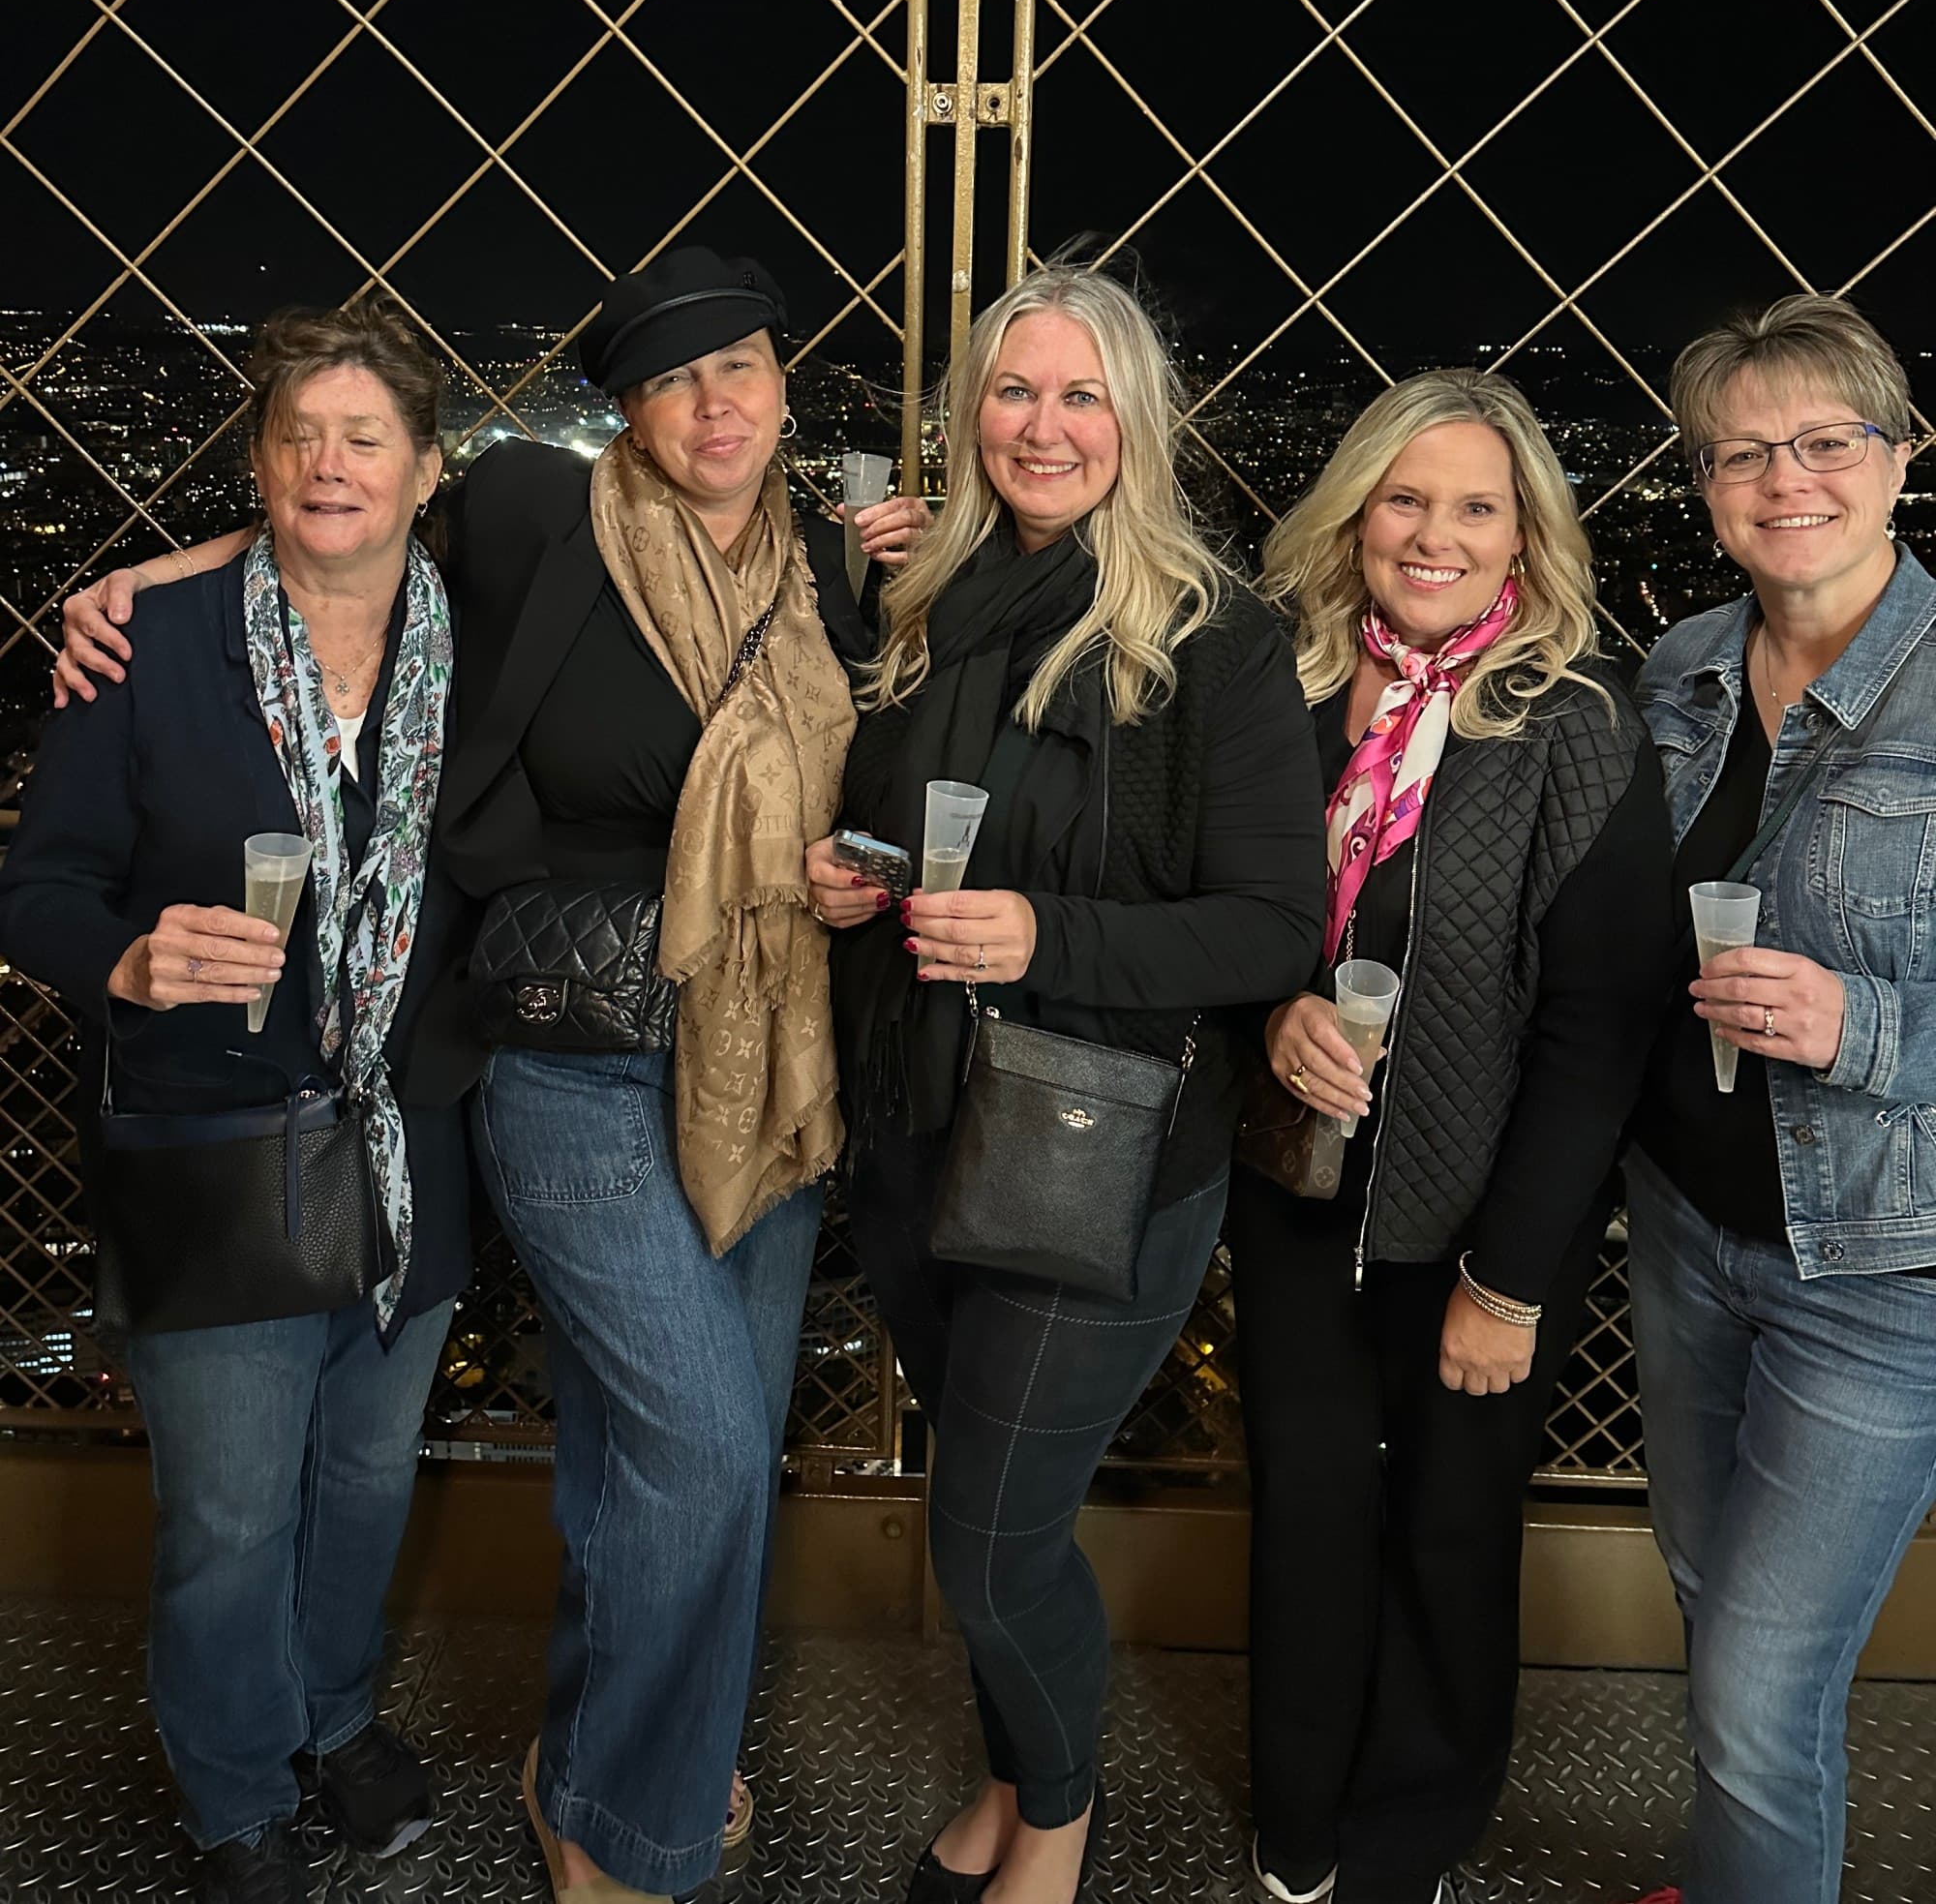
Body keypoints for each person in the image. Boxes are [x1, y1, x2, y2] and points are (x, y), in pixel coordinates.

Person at [56, 245, 927, 1904]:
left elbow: (890, 774)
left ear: (784, 384)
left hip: (746, 1058)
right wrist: (149, 581)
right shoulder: (544, 514)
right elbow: (340, 528)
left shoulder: (831, 569)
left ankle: (572, 1754)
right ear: (627, 411)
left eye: (737, 367)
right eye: (672, 380)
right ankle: (589, 1820)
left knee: (591, 1455)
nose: (713, 402)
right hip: (554, 1056)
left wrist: (859, 870)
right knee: (703, 1448)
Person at [808, 263, 1326, 1904]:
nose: (1044, 427)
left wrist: (1041, 932)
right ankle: (1012, 1781)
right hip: (917, 1124)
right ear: (969, 420)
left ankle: (1060, 1815)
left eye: (1080, 395)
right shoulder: (920, 604)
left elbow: (1266, 929)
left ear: (1137, 424)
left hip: (1093, 1152)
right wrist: (855, 873)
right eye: (1014, 394)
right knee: (989, 1508)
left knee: (984, 1534)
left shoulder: (1210, 640)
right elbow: (907, 823)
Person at [2, 298, 470, 1904]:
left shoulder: (478, 646)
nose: (327, 466)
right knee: (226, 1510)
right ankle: (230, 1790)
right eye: (296, 437)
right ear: (257, 465)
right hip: (211, 1145)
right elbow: (39, 887)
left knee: (362, 1480)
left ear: (427, 468)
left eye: (364, 437)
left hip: (413, 1153)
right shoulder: (146, 646)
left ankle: (329, 1724)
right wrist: (128, 960)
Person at [1228, 370, 1675, 1904]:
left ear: (1525, 539)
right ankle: (1297, 1807)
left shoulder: (1574, 725)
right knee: (1304, 1505)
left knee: (1452, 1523)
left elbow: (1600, 1026)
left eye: (1475, 506)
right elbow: (1217, 924)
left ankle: (1410, 1826)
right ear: (1354, 514)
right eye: (1404, 499)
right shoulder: (1271, 689)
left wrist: (1513, 1278)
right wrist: (1271, 1008)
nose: (1434, 534)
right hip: (1290, 1192)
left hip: (1487, 1223)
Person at [1620, 294, 1936, 1904]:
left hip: (1879, 1275)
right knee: (1710, 1601)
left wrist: (1863, 1020)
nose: (1786, 477)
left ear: (1899, 458)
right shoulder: (1680, 668)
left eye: (1826, 441)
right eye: (1744, 451)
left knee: (1758, 1685)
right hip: (1682, 1228)